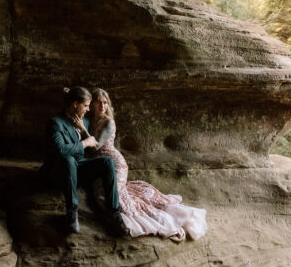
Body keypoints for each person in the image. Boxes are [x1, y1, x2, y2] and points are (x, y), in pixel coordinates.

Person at [88, 88, 207, 241]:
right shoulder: (90, 119)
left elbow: (97, 145)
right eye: (98, 102)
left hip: (116, 163)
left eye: (105, 103)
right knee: (100, 195)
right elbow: (78, 102)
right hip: (99, 163)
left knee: (115, 198)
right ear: (92, 104)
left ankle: (162, 222)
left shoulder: (109, 122)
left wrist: (84, 135)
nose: (102, 106)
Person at [40, 86, 126, 235]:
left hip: (79, 168)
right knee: (68, 159)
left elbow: (93, 149)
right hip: (59, 171)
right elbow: (61, 150)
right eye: (86, 106)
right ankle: (72, 213)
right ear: (75, 104)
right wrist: (85, 143)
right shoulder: (55, 123)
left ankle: (113, 213)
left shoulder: (84, 122)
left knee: (107, 162)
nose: (88, 109)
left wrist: (89, 140)